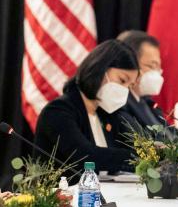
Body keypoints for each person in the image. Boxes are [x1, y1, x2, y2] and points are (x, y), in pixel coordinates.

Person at [33, 40, 139, 176]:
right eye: (122, 80)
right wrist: (136, 158)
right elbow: (86, 157)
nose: (125, 90)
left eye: (130, 86)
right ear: (100, 68)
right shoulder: (58, 111)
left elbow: (129, 149)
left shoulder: (107, 114)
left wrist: (153, 153)